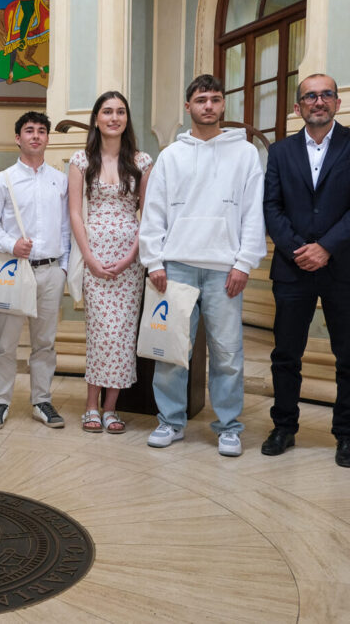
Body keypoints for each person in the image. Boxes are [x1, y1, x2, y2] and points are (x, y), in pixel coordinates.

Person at [139, 74, 266, 457]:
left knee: (227, 352)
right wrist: (153, 260)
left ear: (223, 104)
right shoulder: (171, 156)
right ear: (188, 106)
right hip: (175, 265)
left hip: (224, 268)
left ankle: (229, 427)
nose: (208, 105)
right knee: (171, 349)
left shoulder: (244, 154)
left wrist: (244, 263)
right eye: (200, 99)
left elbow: (252, 212)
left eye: (214, 99)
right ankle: (170, 421)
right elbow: (154, 211)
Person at [261, 73, 350, 468]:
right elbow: (271, 208)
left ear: (337, 103)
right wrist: (301, 250)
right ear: (298, 108)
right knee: (285, 354)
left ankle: (348, 435)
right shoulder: (279, 152)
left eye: (326, 94)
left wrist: (326, 247)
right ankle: (284, 427)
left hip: (345, 266)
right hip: (293, 268)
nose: (318, 101)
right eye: (310, 96)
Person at [68, 91, 151, 434]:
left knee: (123, 334)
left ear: (126, 119)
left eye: (120, 112)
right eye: (107, 112)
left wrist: (133, 254)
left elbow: (147, 214)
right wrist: (88, 256)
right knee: (101, 332)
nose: (114, 117)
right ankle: (91, 406)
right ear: (97, 119)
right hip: (94, 257)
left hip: (130, 261)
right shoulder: (80, 161)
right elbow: (74, 212)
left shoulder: (143, 161)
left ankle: (111, 409)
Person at [0, 111, 70, 430]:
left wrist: (63, 268)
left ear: (47, 138)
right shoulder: (2, 180)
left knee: (44, 342)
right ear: (17, 138)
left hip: (50, 272)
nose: (36, 136)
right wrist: (10, 243)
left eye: (42, 131)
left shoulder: (61, 180)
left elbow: (66, 228)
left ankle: (41, 400)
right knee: (5, 343)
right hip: (13, 270)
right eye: (29, 131)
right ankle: (0, 401)